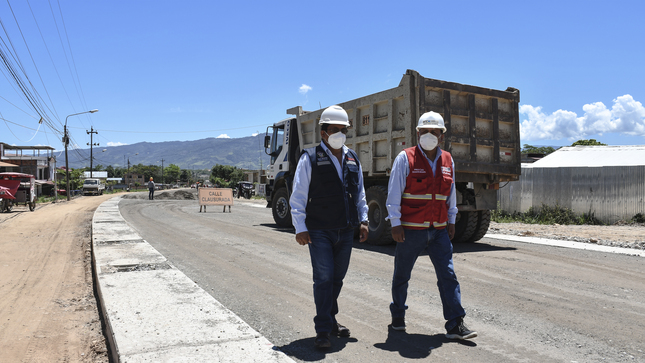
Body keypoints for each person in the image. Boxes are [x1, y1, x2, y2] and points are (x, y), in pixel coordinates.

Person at [385, 111, 477, 340]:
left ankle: (455, 324)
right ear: (417, 133)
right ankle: (398, 315)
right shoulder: (405, 158)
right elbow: (394, 193)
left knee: (448, 275)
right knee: (402, 275)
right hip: (410, 229)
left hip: (439, 230)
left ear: (442, 136)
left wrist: (452, 220)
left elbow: (450, 193)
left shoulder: (448, 160)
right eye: (424, 131)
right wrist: (395, 224)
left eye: (434, 132)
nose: (429, 135)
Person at [290, 105, 370, 349]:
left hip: (345, 230)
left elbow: (360, 194)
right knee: (324, 279)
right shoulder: (310, 158)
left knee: (337, 279)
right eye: (334, 129)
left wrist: (364, 220)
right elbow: (298, 196)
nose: (339, 133)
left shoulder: (352, 157)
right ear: (323, 132)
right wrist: (299, 227)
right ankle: (323, 330)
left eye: (343, 130)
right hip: (319, 231)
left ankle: (331, 320)